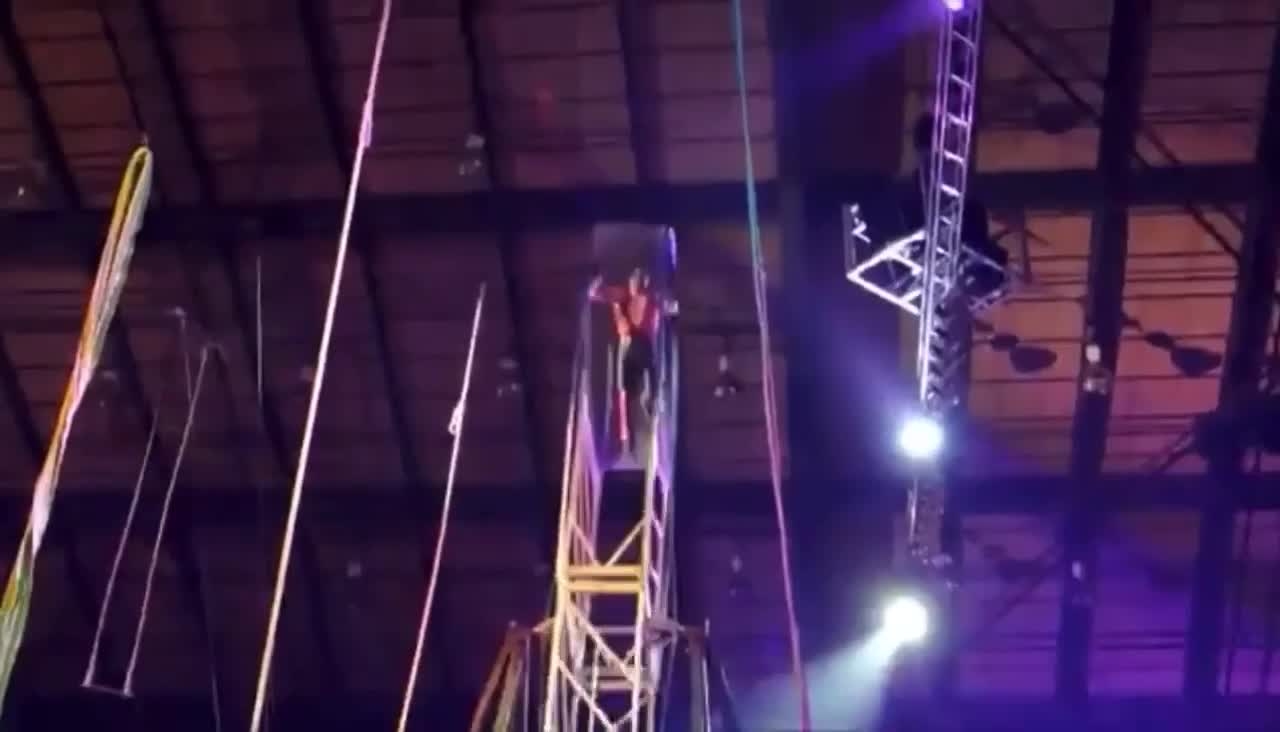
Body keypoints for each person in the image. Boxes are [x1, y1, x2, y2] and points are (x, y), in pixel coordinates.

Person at [589, 268, 662, 458]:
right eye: (635, 283)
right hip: (630, 346)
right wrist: (598, 285)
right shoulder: (623, 297)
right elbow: (596, 294)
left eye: (640, 284)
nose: (636, 287)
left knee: (645, 389)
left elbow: (663, 309)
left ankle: (650, 415)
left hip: (641, 345)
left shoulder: (650, 300)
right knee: (625, 393)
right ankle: (628, 438)